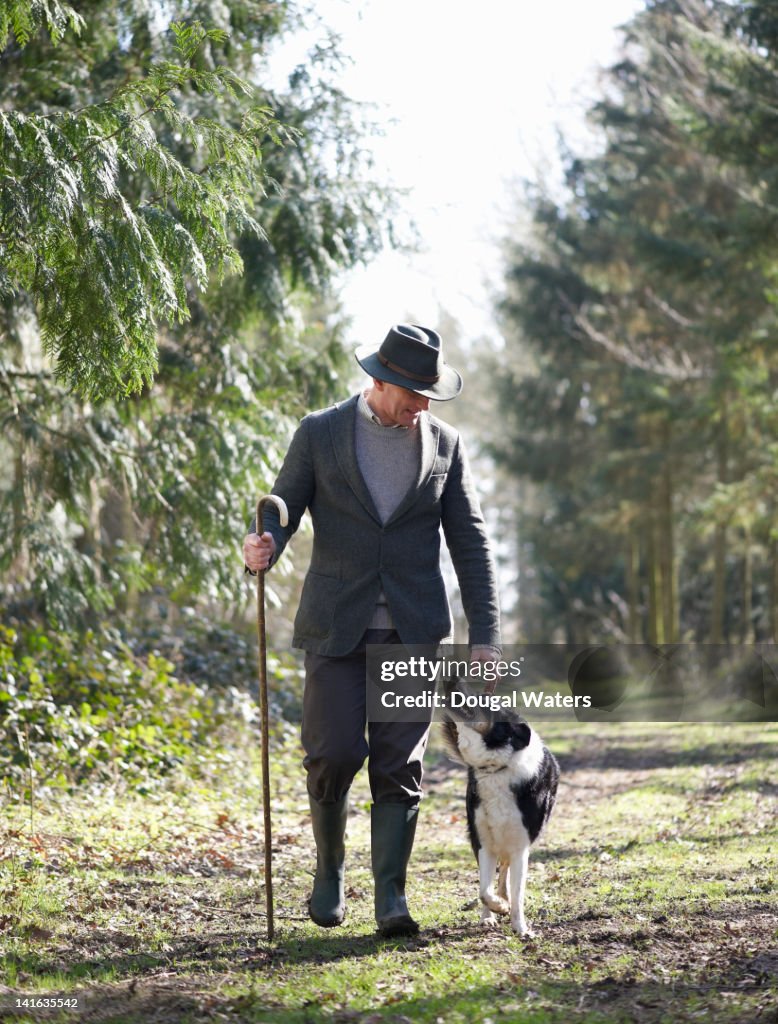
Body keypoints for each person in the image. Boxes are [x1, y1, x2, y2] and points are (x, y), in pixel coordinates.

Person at [243, 323, 501, 937]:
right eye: (413, 393)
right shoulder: (320, 431)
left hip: (412, 632)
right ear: (379, 382)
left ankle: (391, 897)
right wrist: (264, 547)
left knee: (398, 763)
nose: (422, 406)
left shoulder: (446, 444)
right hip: (335, 626)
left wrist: (485, 633)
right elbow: (283, 508)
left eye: (429, 395)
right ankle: (329, 871)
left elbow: (471, 543)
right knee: (331, 752)